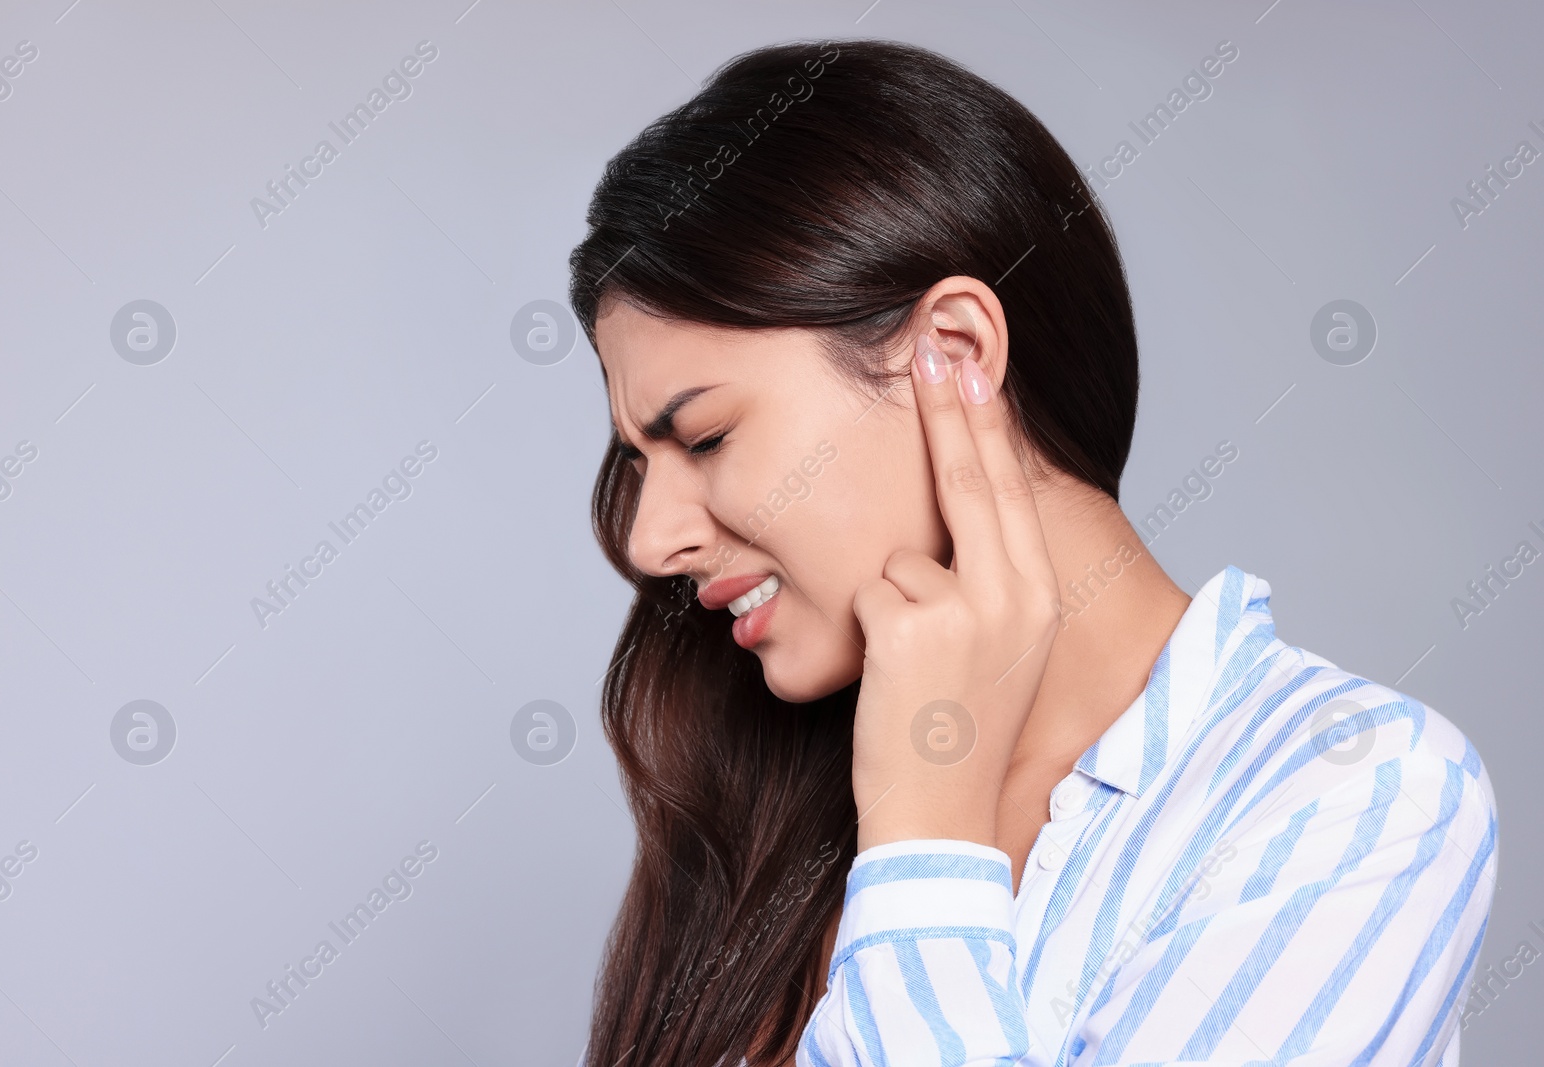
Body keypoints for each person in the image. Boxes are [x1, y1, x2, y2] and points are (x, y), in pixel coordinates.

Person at [567, 38, 1497, 1067]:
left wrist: (926, 836)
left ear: (951, 355)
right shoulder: (778, 807)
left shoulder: (1354, 795)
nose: (653, 539)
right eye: (639, 461)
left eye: (704, 438)